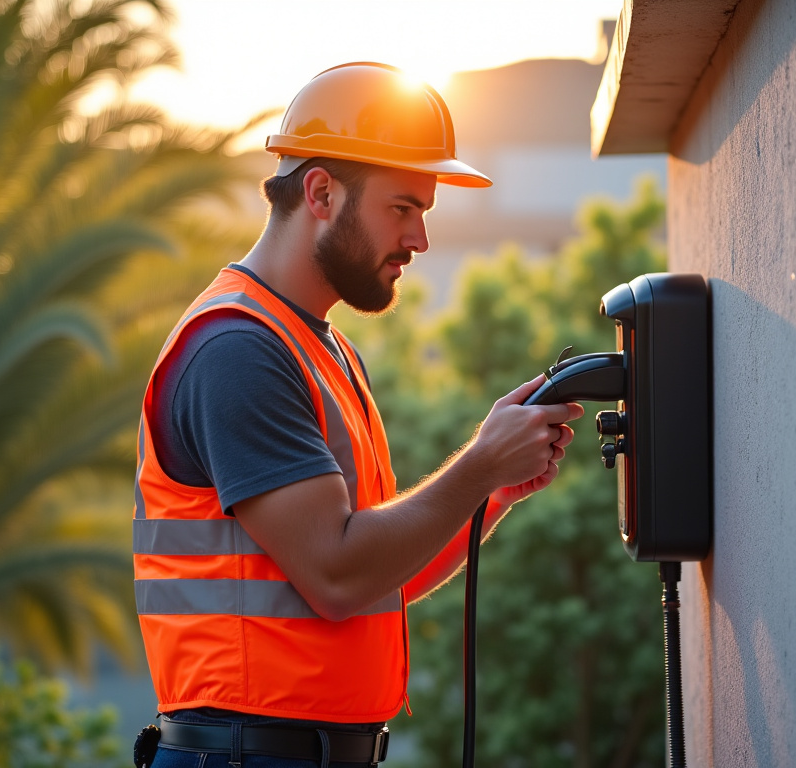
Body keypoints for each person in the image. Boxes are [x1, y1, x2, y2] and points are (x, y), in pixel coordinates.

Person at [131, 62, 583, 767]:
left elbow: (376, 576)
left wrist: (489, 496)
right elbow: (335, 573)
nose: (420, 240)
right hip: (247, 756)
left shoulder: (324, 349)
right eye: (402, 208)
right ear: (320, 192)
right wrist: (476, 465)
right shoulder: (238, 351)